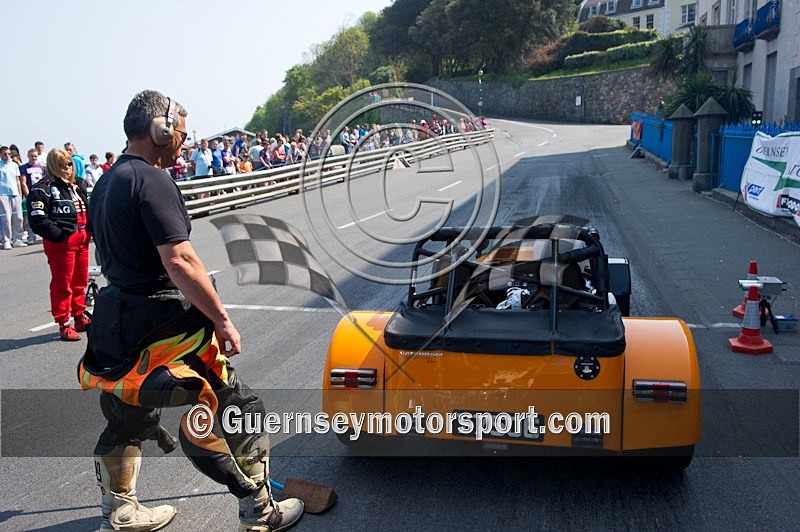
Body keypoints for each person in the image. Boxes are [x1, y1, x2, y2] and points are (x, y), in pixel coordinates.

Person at [78, 89, 303, 532]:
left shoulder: (104, 182)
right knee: (235, 406)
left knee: (126, 417)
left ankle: (120, 510)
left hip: (115, 327)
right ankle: (259, 508)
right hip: (167, 329)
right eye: (179, 132)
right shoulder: (153, 181)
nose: (182, 140)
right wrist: (222, 319)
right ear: (159, 130)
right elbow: (179, 260)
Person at [27, 148, 92, 340]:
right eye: (63, 165)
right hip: (61, 245)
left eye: (69, 164)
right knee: (62, 284)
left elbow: (88, 209)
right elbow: (38, 219)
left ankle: (79, 316)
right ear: (54, 166)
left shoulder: (78, 185)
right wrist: (60, 235)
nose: (68, 168)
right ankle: (64, 323)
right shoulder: (42, 189)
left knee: (80, 281)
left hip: (82, 241)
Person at [0, 145, 27, 249]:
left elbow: (17, 181)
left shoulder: (14, 165)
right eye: (5, 154)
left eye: (8, 154)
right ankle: (6, 240)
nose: (7, 156)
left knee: (18, 217)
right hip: (3, 194)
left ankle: (17, 239)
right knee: (6, 218)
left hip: (15, 193)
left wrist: (20, 194)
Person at [20, 148, 46, 244]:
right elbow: (23, 182)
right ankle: (31, 236)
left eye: (35, 156)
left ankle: (44, 234)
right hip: (31, 193)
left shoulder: (42, 167)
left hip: (40, 193)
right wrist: (28, 194)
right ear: (28, 156)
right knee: (31, 215)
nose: (34, 158)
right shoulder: (24, 167)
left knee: (42, 214)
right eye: (32, 156)